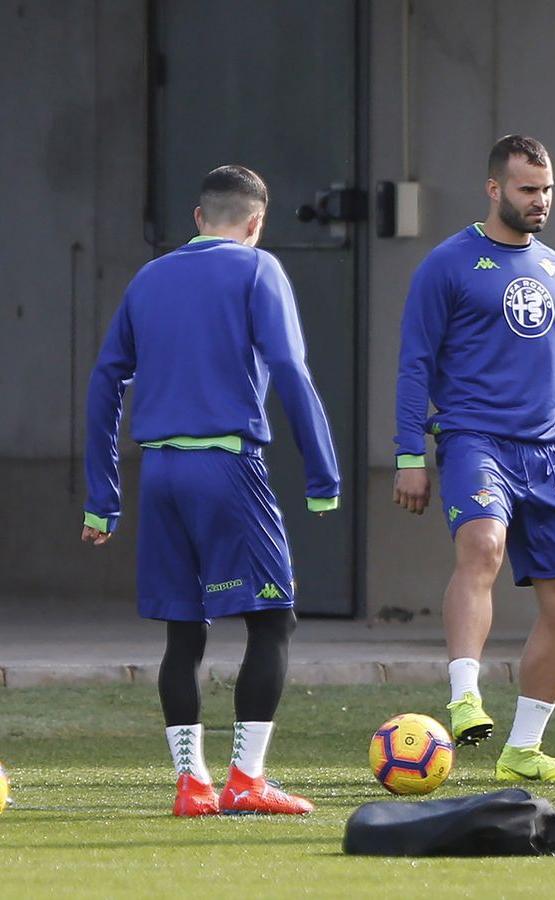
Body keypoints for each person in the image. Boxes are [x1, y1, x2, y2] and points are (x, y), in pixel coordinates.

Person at [83, 165, 340, 816]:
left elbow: (105, 380)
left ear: (198, 218)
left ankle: (191, 784)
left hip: (159, 473)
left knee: (183, 630)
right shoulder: (259, 269)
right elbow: (290, 368)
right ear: (256, 223)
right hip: (226, 468)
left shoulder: (149, 277)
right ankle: (246, 780)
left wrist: (101, 497)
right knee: (273, 619)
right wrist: (322, 474)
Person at [393, 135, 555, 784]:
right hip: (474, 441)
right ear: (494, 189)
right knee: (483, 545)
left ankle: (523, 749)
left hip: (546, 452)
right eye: (527, 189)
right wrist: (409, 454)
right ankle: (464, 695)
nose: (540, 200)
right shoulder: (447, 264)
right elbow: (414, 365)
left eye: (547, 189)